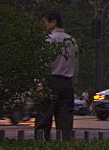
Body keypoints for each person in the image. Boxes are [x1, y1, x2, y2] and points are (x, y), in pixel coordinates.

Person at [35, 10, 77, 140]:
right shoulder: (72, 41)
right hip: (67, 83)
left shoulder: (48, 40)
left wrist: (39, 83)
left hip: (50, 80)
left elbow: (43, 63)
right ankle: (64, 144)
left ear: (53, 22)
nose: (44, 26)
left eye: (45, 22)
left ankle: (41, 144)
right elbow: (75, 65)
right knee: (65, 120)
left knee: (44, 118)